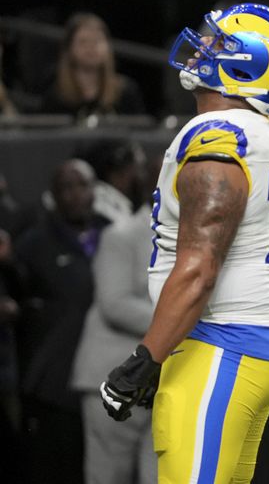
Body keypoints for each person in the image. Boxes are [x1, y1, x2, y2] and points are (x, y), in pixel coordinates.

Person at [98, 3, 269, 483]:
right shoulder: (263, 127)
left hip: (223, 341)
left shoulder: (217, 137)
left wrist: (146, 357)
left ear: (251, 63)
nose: (202, 46)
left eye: (219, 43)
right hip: (256, 336)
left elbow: (199, 268)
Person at [14, 159, 109, 484]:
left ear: (95, 190)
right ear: (53, 195)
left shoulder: (114, 234)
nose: (75, 194)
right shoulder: (33, 244)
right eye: (66, 188)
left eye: (82, 185)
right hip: (55, 383)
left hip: (108, 376)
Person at [71, 155, 162, 484]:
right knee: (109, 478)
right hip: (114, 377)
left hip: (163, 381)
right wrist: (183, 325)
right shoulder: (122, 235)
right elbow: (115, 303)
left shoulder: (196, 239)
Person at [40, 12, 146, 121]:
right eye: (83, 41)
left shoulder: (126, 92)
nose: (91, 47)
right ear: (69, 48)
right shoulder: (56, 97)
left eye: (97, 41)